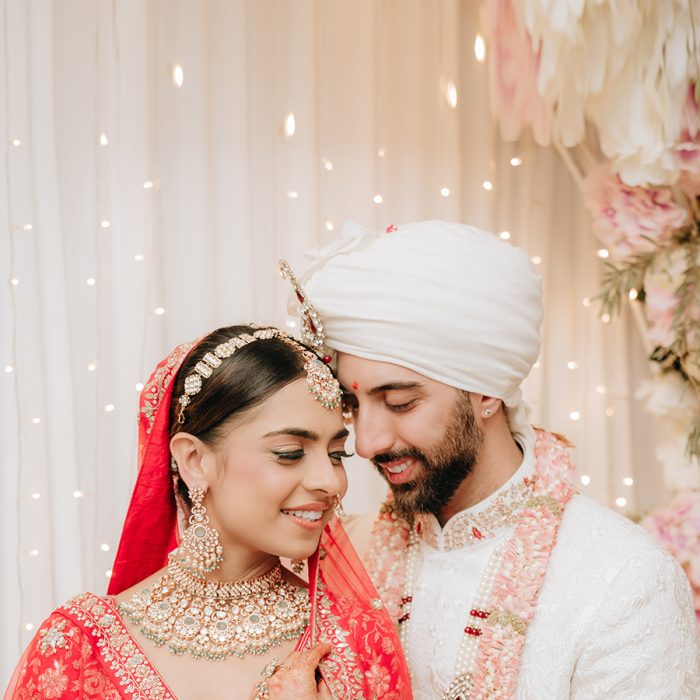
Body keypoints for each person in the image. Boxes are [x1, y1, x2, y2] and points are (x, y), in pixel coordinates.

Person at [280, 221, 700, 699]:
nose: (367, 443)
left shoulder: (622, 578)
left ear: (486, 392)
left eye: (399, 402)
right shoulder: (343, 554)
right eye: (354, 408)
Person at [4, 324, 411, 700]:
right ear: (195, 460)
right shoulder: (79, 646)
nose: (330, 481)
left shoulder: (358, 640)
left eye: (337, 454)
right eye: (290, 453)